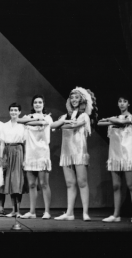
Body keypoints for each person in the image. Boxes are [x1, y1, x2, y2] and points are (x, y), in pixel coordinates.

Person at [51, 87, 96, 221]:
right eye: (72, 98)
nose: (74, 100)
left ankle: (85, 212)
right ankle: (69, 213)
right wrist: (63, 122)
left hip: (79, 151)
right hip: (67, 152)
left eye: (76, 98)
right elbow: (53, 125)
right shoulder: (65, 116)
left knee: (82, 182)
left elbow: (74, 125)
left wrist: (63, 124)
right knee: (70, 183)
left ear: (81, 100)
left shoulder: (84, 116)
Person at [98, 96, 132, 223]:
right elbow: (99, 123)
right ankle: (116, 215)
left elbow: (122, 123)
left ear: (129, 103)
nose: (122, 104)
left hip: (127, 155)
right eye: (120, 101)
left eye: (125, 101)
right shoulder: (115, 118)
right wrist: (112, 120)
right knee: (116, 185)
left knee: (131, 185)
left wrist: (110, 120)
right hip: (115, 155)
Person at [18, 95, 53, 219]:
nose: (37, 104)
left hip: (42, 153)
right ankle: (32, 212)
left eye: (40, 102)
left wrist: (29, 120)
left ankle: (47, 211)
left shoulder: (47, 117)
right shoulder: (27, 116)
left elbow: (43, 122)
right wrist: (29, 119)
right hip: (30, 153)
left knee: (44, 183)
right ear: (32, 105)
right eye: (35, 102)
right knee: (32, 184)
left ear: (43, 104)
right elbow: (18, 120)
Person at [0, 103, 27, 218]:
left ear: (19, 112)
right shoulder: (5, 126)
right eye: (11, 110)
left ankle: (18, 210)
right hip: (8, 151)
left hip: (19, 151)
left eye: (16, 110)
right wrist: (1, 158)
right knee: (10, 180)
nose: (13, 112)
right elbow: (2, 143)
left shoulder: (23, 126)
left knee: (17, 181)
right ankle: (13, 209)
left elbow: (25, 143)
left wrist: (25, 159)